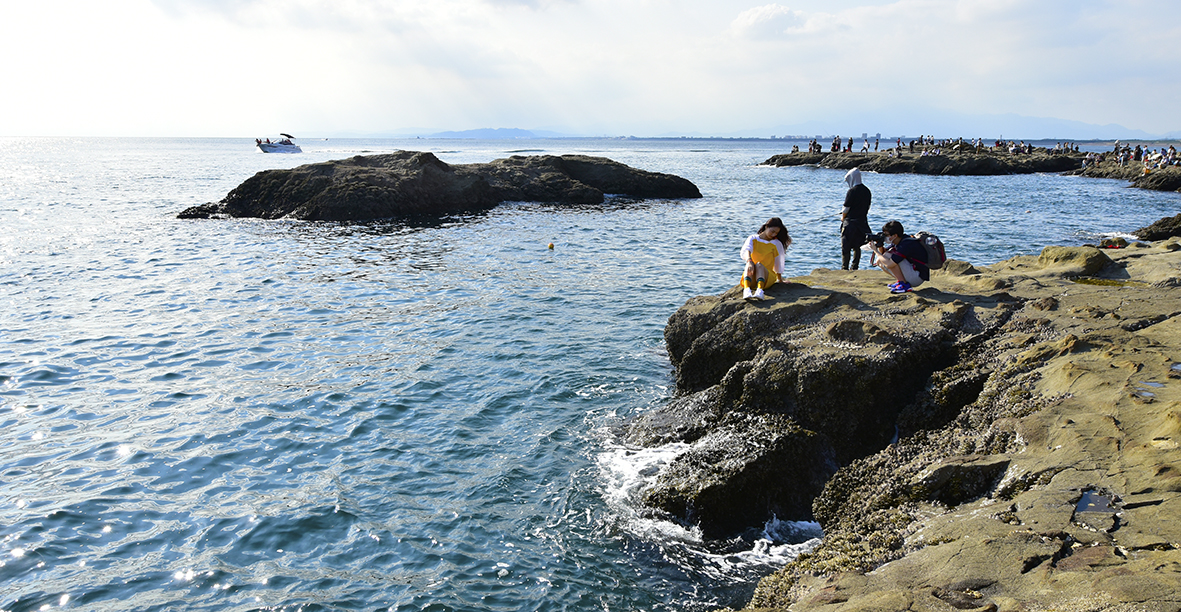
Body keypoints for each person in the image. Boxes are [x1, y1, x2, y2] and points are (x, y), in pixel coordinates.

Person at [867, 220, 928, 293]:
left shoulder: (906, 244)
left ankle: (904, 285)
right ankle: (901, 281)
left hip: (917, 277)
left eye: (886, 235)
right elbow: (883, 253)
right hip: (913, 272)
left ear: (895, 235)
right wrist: (880, 245)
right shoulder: (899, 240)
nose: (885, 237)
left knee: (888, 257)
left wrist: (875, 251)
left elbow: (889, 264)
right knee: (881, 260)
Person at [741, 217, 791, 300]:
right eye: (772, 231)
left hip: (767, 277)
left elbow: (779, 262)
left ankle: (759, 291)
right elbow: (747, 249)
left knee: (759, 265)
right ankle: (747, 290)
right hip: (751, 275)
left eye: (776, 233)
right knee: (750, 264)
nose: (774, 235)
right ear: (766, 227)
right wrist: (749, 261)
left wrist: (780, 279)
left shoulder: (776, 243)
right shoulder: (753, 238)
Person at [839, 168, 872, 270]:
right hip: (862, 222)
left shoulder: (852, 191)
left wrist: (842, 217)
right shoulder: (867, 191)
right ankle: (855, 266)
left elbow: (846, 208)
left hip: (850, 223)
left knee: (846, 246)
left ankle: (844, 267)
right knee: (857, 246)